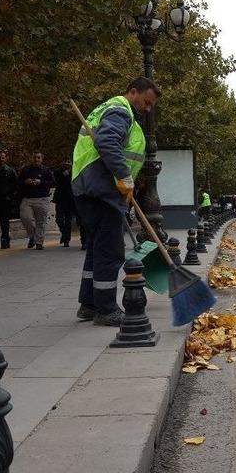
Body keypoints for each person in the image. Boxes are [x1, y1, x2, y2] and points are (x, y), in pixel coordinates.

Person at [71, 76, 161, 326]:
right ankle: (106, 309)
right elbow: (107, 141)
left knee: (97, 248)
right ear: (133, 92)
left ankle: (89, 304)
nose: (148, 109)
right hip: (101, 187)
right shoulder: (121, 111)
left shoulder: (109, 108)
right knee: (110, 250)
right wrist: (124, 175)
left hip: (88, 186)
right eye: (146, 102)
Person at [17, 152, 54, 250]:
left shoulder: (46, 170)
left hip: (42, 199)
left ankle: (39, 242)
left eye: (38, 157)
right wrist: (25, 182)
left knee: (41, 222)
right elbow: (18, 182)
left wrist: (40, 182)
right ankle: (32, 236)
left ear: (42, 159)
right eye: (34, 157)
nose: (36, 159)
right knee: (25, 218)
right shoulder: (25, 170)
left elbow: (53, 182)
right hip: (27, 198)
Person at [53, 159, 85, 248]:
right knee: (59, 219)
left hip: (71, 199)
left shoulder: (75, 172)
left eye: (68, 162)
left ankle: (66, 240)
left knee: (68, 220)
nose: (66, 164)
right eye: (64, 162)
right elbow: (54, 182)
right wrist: (62, 176)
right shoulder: (57, 172)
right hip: (60, 199)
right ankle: (64, 234)